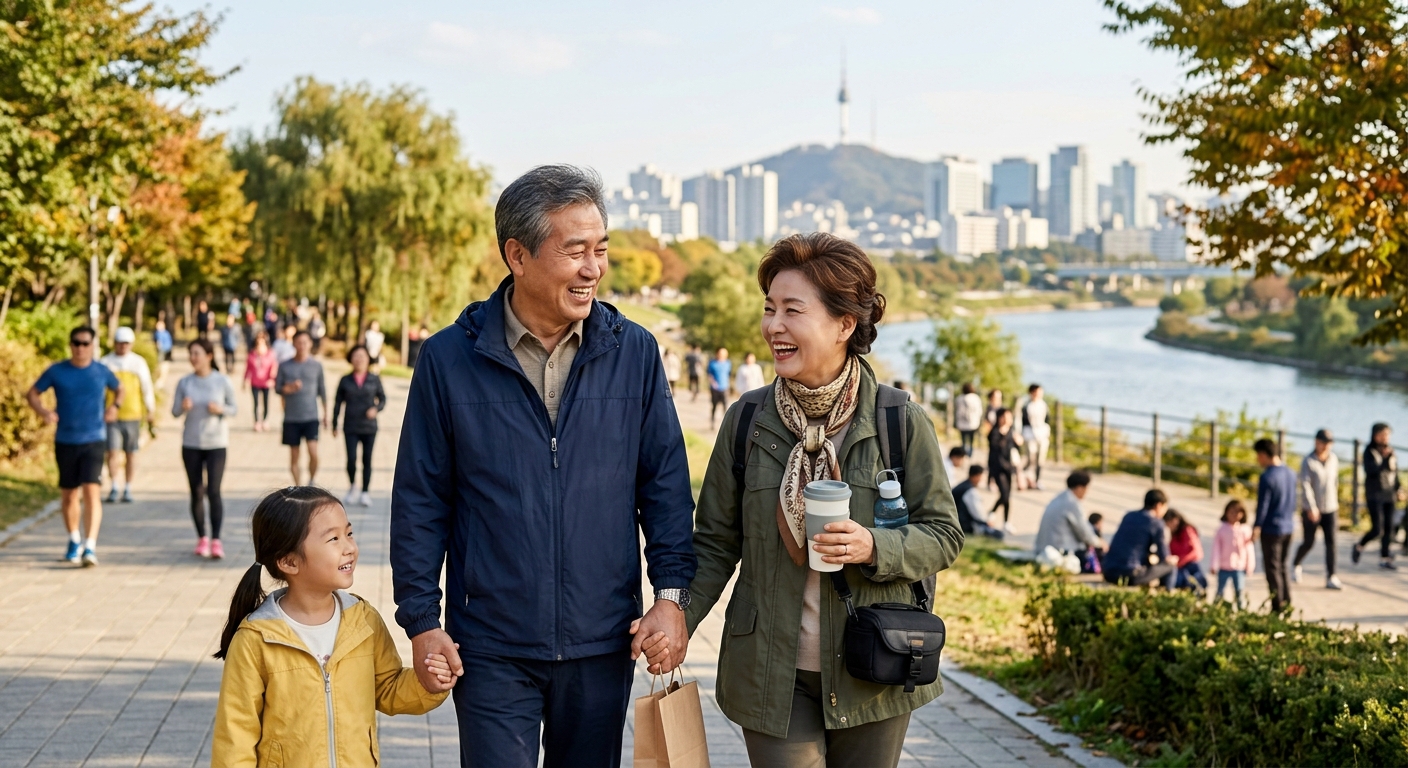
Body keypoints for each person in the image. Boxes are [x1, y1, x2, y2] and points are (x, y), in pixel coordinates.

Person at [390, 165, 696, 768]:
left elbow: (664, 487)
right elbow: (422, 499)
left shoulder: (632, 352)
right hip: (489, 645)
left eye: (600, 249)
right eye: (574, 251)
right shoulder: (449, 359)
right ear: (518, 255)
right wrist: (422, 619)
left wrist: (672, 597)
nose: (593, 269)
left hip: (604, 641)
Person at [687, 232, 963, 768]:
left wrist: (873, 546)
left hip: (875, 665)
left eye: (793, 310)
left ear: (844, 325)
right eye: (770, 309)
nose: (774, 326)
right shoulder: (748, 421)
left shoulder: (897, 420)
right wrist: (678, 618)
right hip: (770, 670)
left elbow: (944, 534)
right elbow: (716, 543)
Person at [211, 487, 453, 765]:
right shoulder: (257, 639)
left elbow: (388, 688)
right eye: (334, 539)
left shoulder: (362, 619)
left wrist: (428, 681)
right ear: (289, 561)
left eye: (349, 534)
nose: (349, 547)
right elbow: (235, 735)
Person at [27, 326, 123, 566]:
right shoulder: (57, 371)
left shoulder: (101, 371)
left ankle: (90, 547)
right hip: (66, 440)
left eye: (85, 343)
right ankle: (73, 541)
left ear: (92, 345)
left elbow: (119, 388)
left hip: (94, 439)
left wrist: (114, 407)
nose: (80, 348)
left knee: (91, 490)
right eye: (76, 343)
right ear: (71, 345)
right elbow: (32, 393)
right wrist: (44, 412)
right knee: (69, 495)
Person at [171, 339, 238, 559]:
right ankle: (202, 538)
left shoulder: (221, 381)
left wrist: (220, 409)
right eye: (191, 353)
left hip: (216, 443)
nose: (193, 358)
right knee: (196, 491)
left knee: (214, 491)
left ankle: (216, 540)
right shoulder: (185, 382)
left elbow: (234, 408)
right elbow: (174, 412)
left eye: (197, 353)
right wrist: (183, 407)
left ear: (209, 355)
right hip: (191, 443)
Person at [99, 327, 155, 504]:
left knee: (131, 453)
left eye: (126, 343)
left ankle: (128, 486)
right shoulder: (106, 362)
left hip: (133, 414)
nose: (122, 347)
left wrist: (150, 409)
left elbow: (146, 387)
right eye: (120, 343)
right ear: (114, 343)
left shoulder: (138, 363)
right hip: (112, 415)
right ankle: (115, 485)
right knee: (112, 452)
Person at [332, 345, 386, 508]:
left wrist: (375, 409)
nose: (359, 359)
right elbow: (337, 403)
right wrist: (334, 423)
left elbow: (383, 399)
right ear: (351, 359)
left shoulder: (374, 379)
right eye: (356, 356)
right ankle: (352, 486)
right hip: (350, 426)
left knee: (367, 460)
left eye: (363, 356)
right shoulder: (345, 380)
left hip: (369, 427)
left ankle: (365, 492)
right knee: (351, 459)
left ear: (368, 359)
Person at [276, 331, 327, 485]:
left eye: (305, 342)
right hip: (291, 417)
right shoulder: (285, 366)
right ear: (293, 344)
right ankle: (298, 486)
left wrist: (326, 413)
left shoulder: (316, 366)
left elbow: (322, 390)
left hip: (311, 416)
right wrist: (289, 388)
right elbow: (278, 388)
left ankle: (311, 479)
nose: (302, 346)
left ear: (310, 344)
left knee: (313, 452)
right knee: (294, 455)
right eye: (299, 342)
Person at [1294, 429, 1342, 589]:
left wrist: (1336, 503)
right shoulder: (1308, 461)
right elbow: (1306, 486)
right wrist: (1312, 508)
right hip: (1311, 509)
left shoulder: (1333, 459)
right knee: (1309, 542)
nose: (1326, 447)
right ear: (1316, 442)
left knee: (1331, 542)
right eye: (1323, 443)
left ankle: (1331, 576)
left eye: (1328, 444)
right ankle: (1296, 563)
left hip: (1330, 507)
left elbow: (1335, 482)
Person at [1253, 437, 1297, 612]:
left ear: (1264, 455)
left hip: (1272, 528)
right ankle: (1287, 601)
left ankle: (1277, 605)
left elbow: (1262, 505)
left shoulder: (1267, 477)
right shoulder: (1291, 473)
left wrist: (1257, 526)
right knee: (1283, 566)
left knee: (1272, 568)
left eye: (1258, 456)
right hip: (1288, 526)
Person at [1103, 489, 1176, 589]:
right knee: (1170, 567)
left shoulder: (1129, 516)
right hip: (1130, 574)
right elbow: (1165, 557)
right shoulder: (1156, 523)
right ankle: (1166, 597)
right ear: (1159, 505)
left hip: (1108, 571)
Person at [1355, 423, 1401, 570]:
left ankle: (1385, 557)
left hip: (1389, 494)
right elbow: (1372, 471)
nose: (1386, 437)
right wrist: (1385, 460)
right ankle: (1359, 545)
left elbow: (1395, 473)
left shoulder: (1390, 451)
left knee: (1389, 528)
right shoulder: (1369, 452)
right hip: (1374, 495)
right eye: (1383, 434)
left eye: (1388, 434)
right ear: (1375, 435)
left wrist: (1399, 489)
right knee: (1377, 529)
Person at [1034, 470, 1102, 556]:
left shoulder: (1060, 497)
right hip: (1060, 551)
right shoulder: (1072, 504)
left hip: (1043, 548)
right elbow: (1085, 534)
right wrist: (1100, 543)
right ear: (1080, 488)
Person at [1210, 500, 1256, 610]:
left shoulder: (1245, 529)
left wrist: (1250, 566)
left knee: (1239, 591)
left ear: (1242, 514)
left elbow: (1249, 549)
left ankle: (1241, 612)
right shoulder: (1222, 530)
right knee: (1220, 590)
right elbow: (1216, 549)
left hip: (1239, 567)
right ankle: (1215, 610)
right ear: (1226, 513)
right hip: (1224, 566)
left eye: (1237, 512)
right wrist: (1213, 565)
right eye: (1231, 512)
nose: (1234, 515)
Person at [986, 407, 1021, 533]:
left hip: (1009, 468)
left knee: (1007, 496)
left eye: (1009, 417)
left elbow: (1015, 450)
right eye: (1005, 417)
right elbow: (997, 452)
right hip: (997, 468)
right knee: (1004, 494)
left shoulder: (1012, 431)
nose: (1007, 420)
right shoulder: (994, 433)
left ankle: (1006, 522)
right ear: (999, 418)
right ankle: (992, 512)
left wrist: (1019, 442)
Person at [953, 463, 1003, 539]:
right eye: (981, 476)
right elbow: (977, 514)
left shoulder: (963, 485)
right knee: (998, 535)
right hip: (963, 525)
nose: (982, 479)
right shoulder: (970, 491)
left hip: (956, 521)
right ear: (976, 476)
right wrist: (987, 522)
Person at [1164, 508, 1207, 593]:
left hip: (1188, 565)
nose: (1169, 525)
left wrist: (1180, 561)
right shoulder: (1172, 534)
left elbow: (1196, 552)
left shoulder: (1187, 530)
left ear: (1176, 519)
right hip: (1177, 566)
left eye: (1170, 522)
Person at [242, 333, 278, 432]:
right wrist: (244, 381)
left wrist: (272, 379)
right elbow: (247, 369)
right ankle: (257, 421)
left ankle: (265, 420)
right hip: (255, 383)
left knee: (266, 403)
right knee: (256, 403)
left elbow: (273, 367)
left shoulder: (270, 354)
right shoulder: (251, 355)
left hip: (266, 383)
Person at [1021, 383, 1051, 490]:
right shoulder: (1026, 405)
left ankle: (1037, 480)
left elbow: (1047, 420)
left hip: (1042, 435)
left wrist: (1046, 432)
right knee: (1030, 459)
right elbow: (1022, 422)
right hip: (1029, 435)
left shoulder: (1044, 405)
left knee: (1040, 460)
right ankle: (1025, 477)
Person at [955, 382, 983, 456]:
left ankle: (963, 454)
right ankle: (970, 454)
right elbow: (979, 411)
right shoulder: (976, 398)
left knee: (963, 440)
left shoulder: (959, 398)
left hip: (962, 423)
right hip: (972, 423)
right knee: (971, 440)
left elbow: (957, 411)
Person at [707, 346, 732, 427]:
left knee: (725, 407)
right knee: (714, 406)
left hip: (725, 387)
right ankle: (712, 422)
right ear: (717, 353)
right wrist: (713, 383)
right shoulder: (712, 363)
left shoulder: (728, 363)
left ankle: (726, 424)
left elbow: (729, 375)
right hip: (715, 389)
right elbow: (709, 375)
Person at [153, 319, 173, 385]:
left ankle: (161, 379)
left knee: (161, 363)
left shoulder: (159, 333)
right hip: (167, 349)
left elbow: (159, 342)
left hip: (163, 350)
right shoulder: (166, 333)